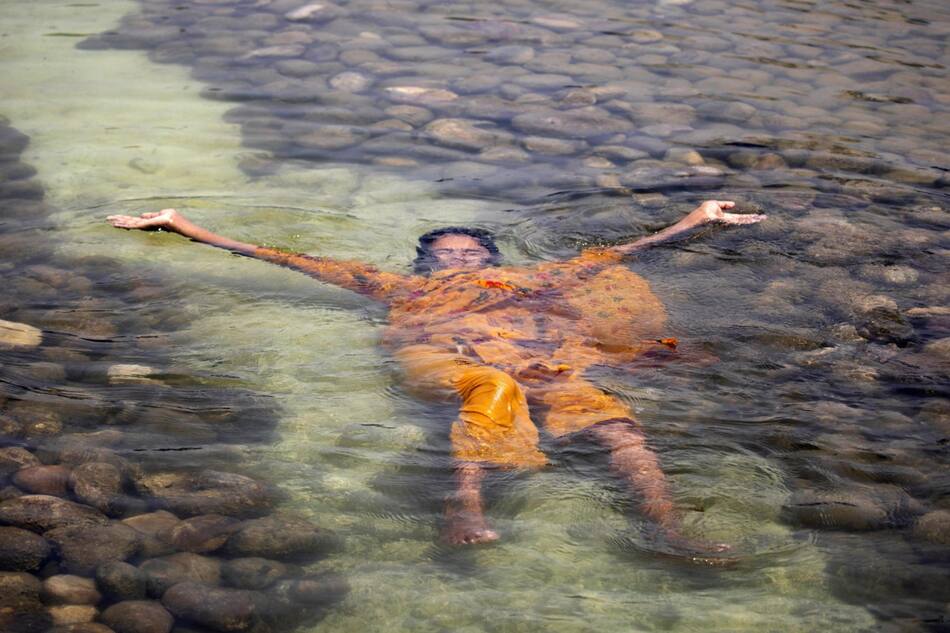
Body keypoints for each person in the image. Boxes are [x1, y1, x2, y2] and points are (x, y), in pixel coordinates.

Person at [108, 200, 765, 556]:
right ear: (423, 263)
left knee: (616, 423)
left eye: (470, 252)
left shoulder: (535, 278)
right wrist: (183, 227)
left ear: (491, 257)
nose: (458, 258)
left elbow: (616, 254)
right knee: (494, 388)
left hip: (542, 359)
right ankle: (464, 506)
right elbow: (289, 259)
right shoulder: (394, 286)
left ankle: (667, 524)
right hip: (444, 357)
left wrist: (696, 220)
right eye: (444, 253)